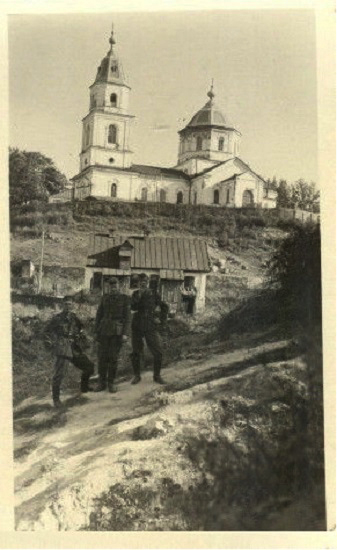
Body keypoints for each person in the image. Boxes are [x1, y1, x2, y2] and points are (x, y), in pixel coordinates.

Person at [44, 296, 94, 408]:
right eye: (66, 304)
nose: (68, 306)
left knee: (89, 366)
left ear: (72, 305)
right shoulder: (57, 318)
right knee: (59, 375)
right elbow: (46, 332)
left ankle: (84, 388)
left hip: (74, 347)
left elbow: (82, 327)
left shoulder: (74, 317)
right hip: (63, 348)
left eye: (70, 304)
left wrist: (81, 335)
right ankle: (56, 400)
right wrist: (52, 344)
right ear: (62, 305)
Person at [131, 273, 169, 385]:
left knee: (158, 351)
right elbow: (133, 307)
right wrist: (139, 296)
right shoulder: (135, 294)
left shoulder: (154, 294)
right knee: (136, 352)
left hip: (150, 325)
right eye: (140, 281)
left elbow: (164, 307)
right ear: (137, 283)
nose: (143, 283)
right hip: (137, 325)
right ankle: (137, 376)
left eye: (145, 281)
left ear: (147, 283)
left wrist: (161, 320)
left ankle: (157, 376)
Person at [94, 277, 131, 393]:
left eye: (115, 286)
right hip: (104, 331)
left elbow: (128, 318)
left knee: (113, 358)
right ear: (108, 287)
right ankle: (101, 383)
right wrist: (96, 332)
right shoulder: (104, 298)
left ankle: (111, 383)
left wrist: (125, 333)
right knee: (102, 357)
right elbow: (99, 316)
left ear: (119, 286)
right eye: (111, 286)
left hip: (116, 332)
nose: (113, 288)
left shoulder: (124, 299)